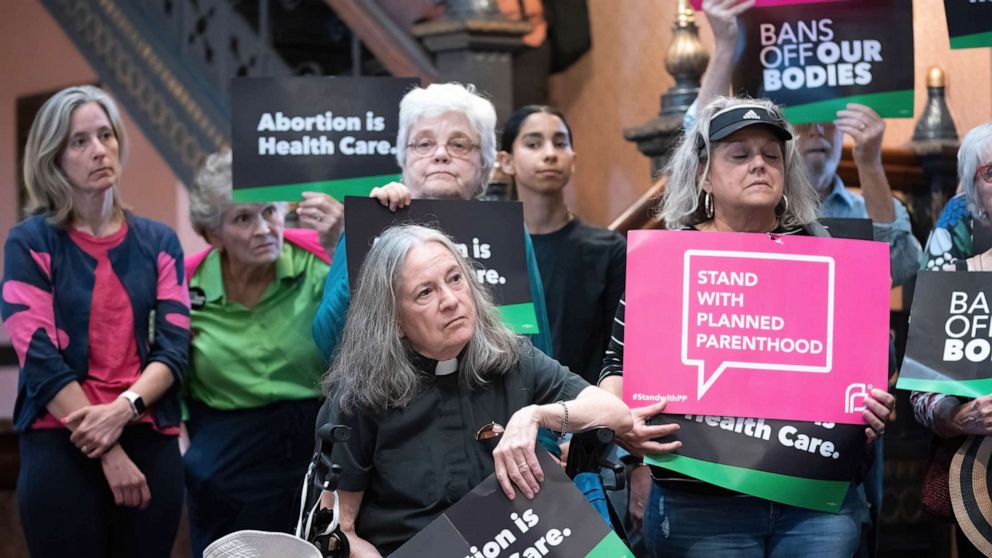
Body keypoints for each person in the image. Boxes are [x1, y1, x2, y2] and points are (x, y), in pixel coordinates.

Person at [598, 96, 896, 558]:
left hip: (814, 504)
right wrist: (625, 432)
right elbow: (617, 367)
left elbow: (869, 367)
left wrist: (873, 403)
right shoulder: (666, 262)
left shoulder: (829, 253)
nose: (759, 164)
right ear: (703, 174)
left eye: (771, 155)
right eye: (739, 155)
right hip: (701, 505)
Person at [318, 224, 633, 557]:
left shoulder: (512, 358)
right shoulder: (359, 397)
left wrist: (537, 415)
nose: (451, 301)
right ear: (394, 320)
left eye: (455, 279)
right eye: (425, 292)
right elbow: (339, 528)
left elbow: (616, 412)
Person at [1, 85, 189, 557]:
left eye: (106, 135)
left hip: (147, 433)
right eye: (79, 141)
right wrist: (107, 448)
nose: (99, 150)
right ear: (53, 158)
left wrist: (124, 409)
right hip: (59, 441)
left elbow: (174, 349)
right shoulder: (28, 243)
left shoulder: (159, 241)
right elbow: (39, 358)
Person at [311, 82, 553, 361]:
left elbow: (537, 343)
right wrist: (374, 233)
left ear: (484, 166)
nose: (440, 154)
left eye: (459, 144)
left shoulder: (507, 231)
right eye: (424, 143)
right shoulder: (371, 219)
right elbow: (327, 341)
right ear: (404, 161)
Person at [692, 0, 922, 287]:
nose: (816, 130)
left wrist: (870, 164)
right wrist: (726, 47)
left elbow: (901, 267)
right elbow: (697, 140)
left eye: (827, 120)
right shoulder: (752, 207)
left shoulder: (860, 209)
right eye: (742, 154)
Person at [182, 149, 344, 556]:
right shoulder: (187, 284)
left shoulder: (318, 261)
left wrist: (347, 243)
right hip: (227, 450)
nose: (264, 229)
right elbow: (169, 369)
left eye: (270, 211)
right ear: (212, 234)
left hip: (315, 436)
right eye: (243, 218)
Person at [910, 121, 992, 557]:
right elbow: (923, 385)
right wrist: (957, 415)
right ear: (971, 189)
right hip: (982, 477)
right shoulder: (952, 244)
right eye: (991, 174)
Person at [498, 104, 626, 384]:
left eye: (560, 143)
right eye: (533, 143)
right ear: (506, 161)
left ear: (573, 158)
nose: (550, 154)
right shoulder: (493, 246)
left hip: (586, 409)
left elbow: (618, 353)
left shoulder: (608, 249)